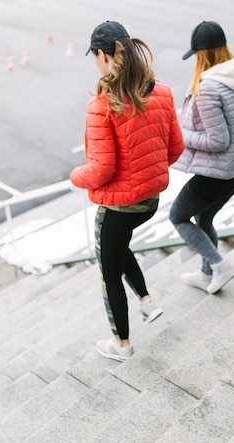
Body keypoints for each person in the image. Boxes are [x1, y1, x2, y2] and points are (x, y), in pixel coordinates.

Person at [70, 20, 184, 361]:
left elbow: (100, 169)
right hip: (149, 200)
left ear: (103, 56)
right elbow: (175, 149)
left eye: (94, 56)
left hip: (120, 205)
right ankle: (148, 302)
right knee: (116, 248)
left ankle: (121, 345)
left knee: (108, 272)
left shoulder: (103, 104)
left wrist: (74, 175)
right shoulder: (161, 91)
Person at [169, 20, 234, 294]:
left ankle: (219, 267)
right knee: (204, 220)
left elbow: (218, 141)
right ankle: (207, 273)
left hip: (215, 176)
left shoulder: (208, 87)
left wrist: (183, 135)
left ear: (202, 54)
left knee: (178, 217)